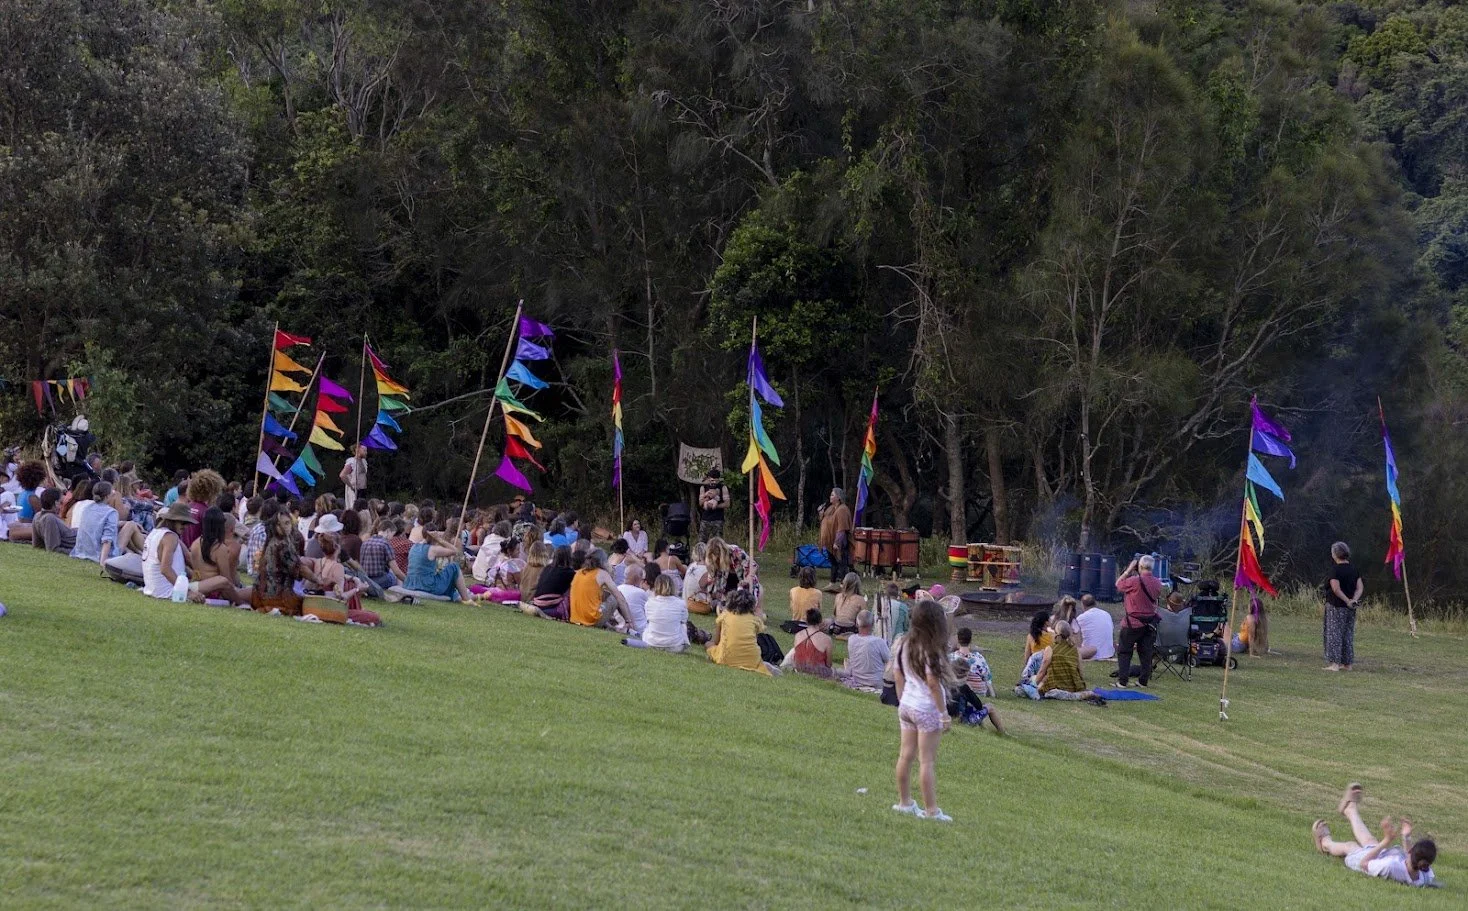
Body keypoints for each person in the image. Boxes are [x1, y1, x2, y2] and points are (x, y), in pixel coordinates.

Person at [892, 599, 953, 822]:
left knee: (905, 756)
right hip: (926, 709)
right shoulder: (930, 649)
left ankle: (905, 803)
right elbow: (933, 684)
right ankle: (931, 811)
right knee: (926, 761)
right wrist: (943, 714)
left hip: (907, 705)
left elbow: (898, 674)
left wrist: (903, 700)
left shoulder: (903, 644)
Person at [1312, 783, 1436, 887]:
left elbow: (1364, 864)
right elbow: (1408, 856)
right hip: (1383, 857)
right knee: (1370, 841)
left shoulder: (1391, 867)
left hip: (1364, 862)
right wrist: (1406, 837)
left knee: (1350, 846)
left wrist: (1386, 841)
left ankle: (1325, 844)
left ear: (1412, 852)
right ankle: (1350, 810)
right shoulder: (1425, 875)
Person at [252, 509, 321, 615]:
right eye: (281, 524)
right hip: (277, 597)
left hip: (260, 595)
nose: (285, 527)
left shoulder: (271, 542)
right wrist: (318, 580)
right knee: (309, 606)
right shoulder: (282, 545)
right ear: (275, 526)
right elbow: (300, 568)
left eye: (287, 523)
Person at [1115, 555, 1163, 688]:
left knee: (1124, 651)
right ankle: (1143, 681)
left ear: (1139, 566)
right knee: (1146, 653)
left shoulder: (1134, 581)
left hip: (1133, 622)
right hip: (1150, 623)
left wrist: (1128, 570)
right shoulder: (1157, 583)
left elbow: (1118, 585)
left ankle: (1122, 681)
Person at [188, 507, 252, 605]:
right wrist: (238, 595)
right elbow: (226, 580)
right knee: (254, 591)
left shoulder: (195, 544)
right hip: (217, 592)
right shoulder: (219, 548)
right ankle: (242, 604)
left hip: (200, 586)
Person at [705, 588, 775, 676]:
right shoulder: (755, 620)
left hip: (726, 658)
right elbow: (754, 639)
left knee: (708, 644)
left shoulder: (724, 616)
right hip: (752, 660)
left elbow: (716, 641)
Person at [950, 627, 1006, 734]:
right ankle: (1003, 732)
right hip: (964, 719)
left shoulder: (951, 658)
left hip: (950, 716)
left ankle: (982, 726)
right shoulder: (979, 658)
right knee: (989, 707)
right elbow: (979, 704)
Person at [1035, 621, 1106, 704]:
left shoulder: (1051, 649)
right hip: (1073, 686)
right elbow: (1080, 671)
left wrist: (1033, 685)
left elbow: (1042, 671)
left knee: (1038, 684)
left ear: (1056, 632)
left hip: (1054, 685)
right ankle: (1082, 694)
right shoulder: (1075, 650)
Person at [142, 501, 201, 601]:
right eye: (182, 523)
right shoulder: (170, 537)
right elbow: (165, 569)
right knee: (221, 581)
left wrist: (195, 574)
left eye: (187, 523)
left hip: (153, 589)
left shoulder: (156, 532)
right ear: (172, 520)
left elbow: (187, 558)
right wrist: (188, 592)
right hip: (169, 591)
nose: (185, 526)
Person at [403, 525, 475, 602]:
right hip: (427, 586)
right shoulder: (432, 549)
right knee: (454, 566)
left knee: (443, 576)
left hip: (411, 584)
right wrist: (439, 539)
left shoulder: (414, 547)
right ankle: (466, 598)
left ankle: (466, 596)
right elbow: (455, 551)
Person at [1324, 541, 1363, 672]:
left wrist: (1347, 601)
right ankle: (1347, 663)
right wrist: (1353, 600)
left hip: (1336, 606)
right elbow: (1360, 587)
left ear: (1335, 554)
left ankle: (1335, 664)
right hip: (1350, 608)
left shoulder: (1335, 570)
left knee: (1334, 633)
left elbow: (1336, 589)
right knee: (1347, 634)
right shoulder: (1354, 569)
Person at [569, 549, 632, 629]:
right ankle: (628, 624)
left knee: (602, 597)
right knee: (615, 597)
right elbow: (619, 597)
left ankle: (609, 625)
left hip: (575, 619)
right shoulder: (602, 574)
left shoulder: (579, 573)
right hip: (590, 621)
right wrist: (629, 621)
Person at [71, 481, 120, 566]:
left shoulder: (87, 508)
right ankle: (143, 554)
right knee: (130, 526)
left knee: (129, 526)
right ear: (107, 496)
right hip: (99, 554)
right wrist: (103, 562)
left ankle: (140, 553)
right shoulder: (111, 512)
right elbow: (107, 539)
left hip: (82, 551)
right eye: (112, 492)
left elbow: (97, 525)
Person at [637, 573, 690, 652]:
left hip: (651, 643)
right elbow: (684, 620)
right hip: (675, 646)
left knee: (648, 625)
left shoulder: (649, 603)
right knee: (682, 625)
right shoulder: (681, 603)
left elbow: (648, 619)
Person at [841, 610, 891, 691]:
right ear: (873, 624)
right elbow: (890, 661)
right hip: (877, 683)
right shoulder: (879, 642)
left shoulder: (851, 639)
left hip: (857, 679)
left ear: (857, 624)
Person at [179, 470, 225, 550]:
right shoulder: (206, 512)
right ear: (211, 492)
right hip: (198, 553)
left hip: (184, 552)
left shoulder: (186, 507)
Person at [358, 518, 406, 593]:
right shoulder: (385, 544)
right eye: (392, 534)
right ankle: (401, 591)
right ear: (388, 531)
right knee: (393, 576)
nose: (392, 538)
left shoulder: (365, 542)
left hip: (365, 579)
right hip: (380, 579)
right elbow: (396, 571)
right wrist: (407, 580)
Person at [530, 545, 577, 619]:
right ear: (569, 557)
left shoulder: (547, 568)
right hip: (549, 605)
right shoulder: (569, 573)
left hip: (537, 602)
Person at [817, 487, 854, 582]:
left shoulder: (842, 509)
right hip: (830, 540)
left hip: (840, 541)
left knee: (842, 563)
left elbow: (842, 527)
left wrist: (837, 542)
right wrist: (821, 513)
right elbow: (825, 521)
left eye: (832, 495)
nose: (830, 497)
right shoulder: (831, 508)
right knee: (833, 562)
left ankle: (843, 583)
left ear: (838, 497)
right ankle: (832, 582)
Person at [789, 608, 834, 677]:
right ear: (820, 621)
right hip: (819, 672)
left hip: (799, 669)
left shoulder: (798, 635)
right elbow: (829, 664)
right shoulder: (827, 639)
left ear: (807, 620)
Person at [31, 489, 77, 554]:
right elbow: (53, 549)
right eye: (61, 502)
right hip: (77, 543)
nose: (62, 506)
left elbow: (37, 545)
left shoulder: (37, 516)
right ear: (56, 503)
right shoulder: (49, 518)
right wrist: (76, 552)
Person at [1073, 593, 1115, 661]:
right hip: (1108, 653)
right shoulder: (1106, 614)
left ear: (1083, 605)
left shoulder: (1081, 618)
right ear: (1095, 603)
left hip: (1091, 654)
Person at [616, 563, 651, 636]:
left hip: (622, 627)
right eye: (643, 578)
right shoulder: (641, 593)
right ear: (638, 578)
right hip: (641, 630)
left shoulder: (617, 589)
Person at [698, 472, 730, 542]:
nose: (714, 482)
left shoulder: (723, 488)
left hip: (718, 518)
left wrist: (715, 506)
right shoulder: (703, 487)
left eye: (716, 480)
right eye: (712, 480)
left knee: (718, 542)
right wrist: (708, 498)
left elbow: (727, 504)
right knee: (702, 541)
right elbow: (700, 503)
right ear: (709, 479)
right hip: (705, 518)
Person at [831, 572, 865, 636]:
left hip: (836, 628)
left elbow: (834, 614)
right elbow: (864, 619)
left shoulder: (838, 596)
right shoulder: (860, 599)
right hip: (850, 629)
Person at [339, 443, 368, 510]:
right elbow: (342, 475)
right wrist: (351, 486)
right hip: (354, 490)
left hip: (362, 490)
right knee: (354, 508)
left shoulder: (363, 461)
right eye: (364, 450)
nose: (366, 453)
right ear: (357, 450)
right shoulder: (352, 461)